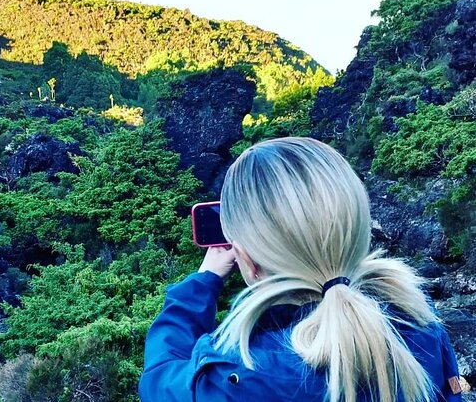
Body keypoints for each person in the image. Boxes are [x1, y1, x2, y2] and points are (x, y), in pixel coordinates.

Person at [138, 137, 462, 402]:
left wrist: (204, 280)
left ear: (247, 261)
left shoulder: (242, 377)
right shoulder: (417, 317)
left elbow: (159, 378)